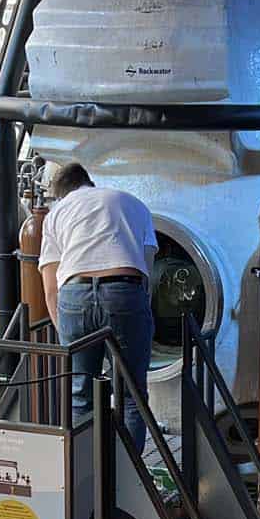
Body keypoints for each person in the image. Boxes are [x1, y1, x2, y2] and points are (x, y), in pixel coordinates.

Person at [37, 161, 158, 456]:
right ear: (89, 182)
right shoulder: (133, 204)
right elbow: (147, 273)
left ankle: (85, 469)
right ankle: (129, 471)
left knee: (80, 393)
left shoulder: (57, 214)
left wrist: (67, 336)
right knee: (131, 395)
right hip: (124, 289)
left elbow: (50, 288)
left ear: (61, 193)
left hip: (74, 294)